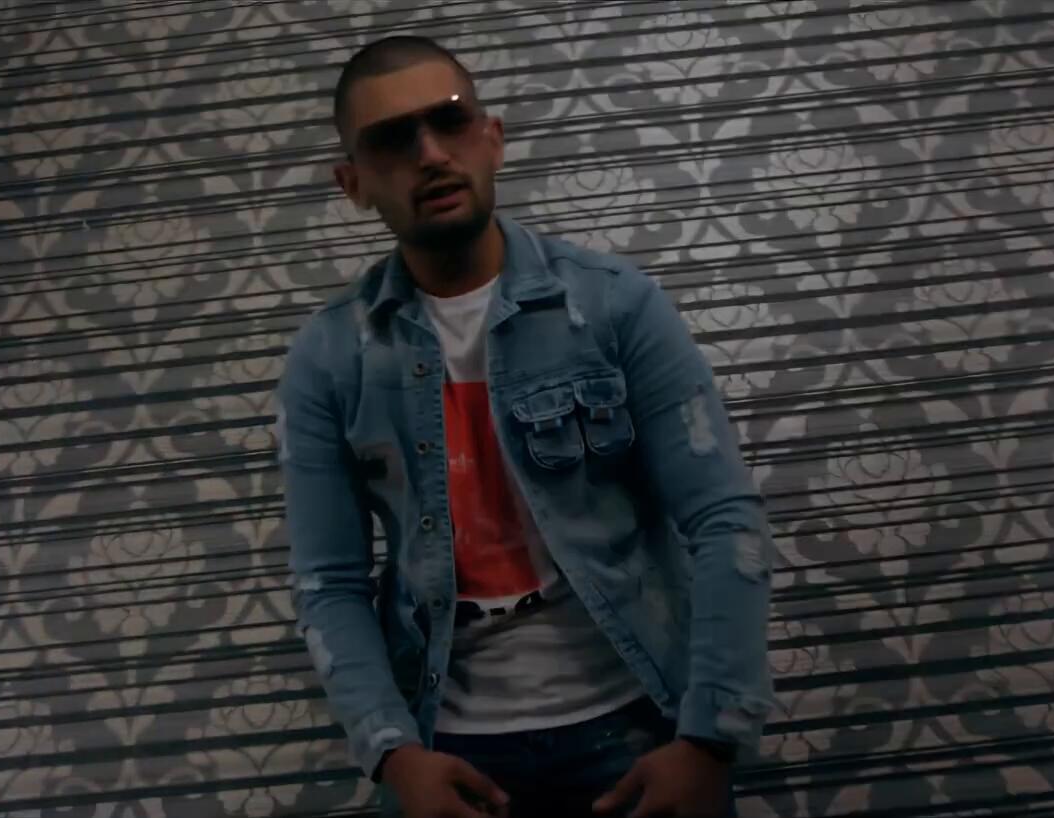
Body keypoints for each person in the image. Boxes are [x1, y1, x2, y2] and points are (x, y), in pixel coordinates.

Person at [277, 35, 776, 818]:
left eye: (449, 121)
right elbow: (328, 583)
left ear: (493, 137)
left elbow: (723, 519)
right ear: (354, 184)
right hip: (447, 750)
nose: (431, 153)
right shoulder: (330, 359)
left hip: (641, 720)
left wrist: (710, 739)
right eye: (392, 140)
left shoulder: (614, 305)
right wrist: (395, 757)